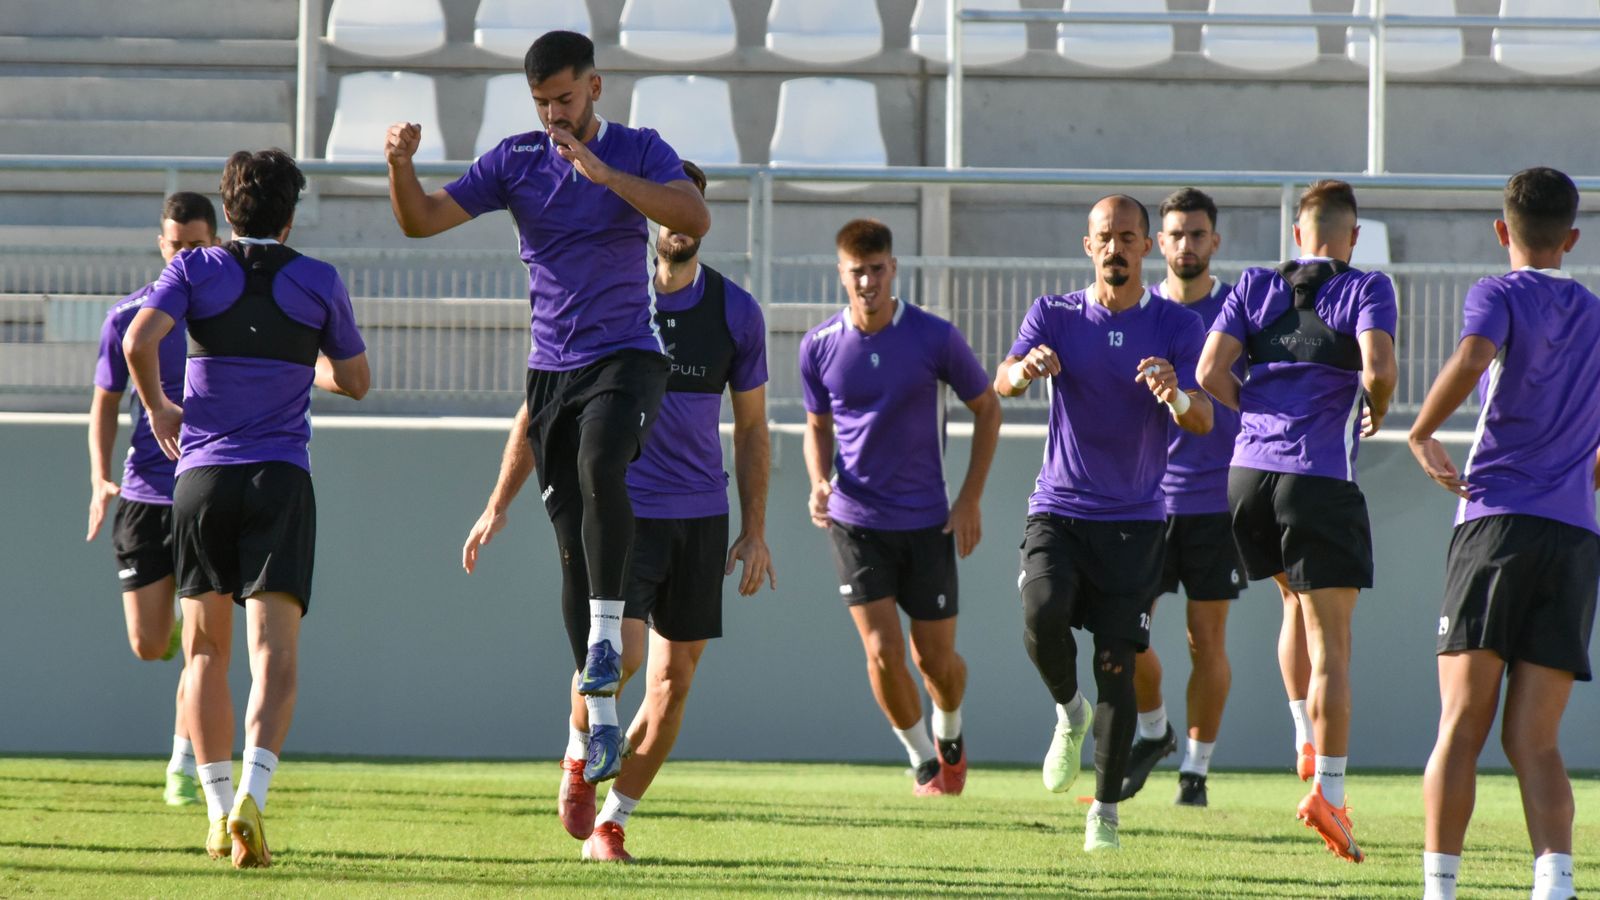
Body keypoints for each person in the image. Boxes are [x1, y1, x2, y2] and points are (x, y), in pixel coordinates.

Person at [387, 30, 709, 784]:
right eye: (540, 104)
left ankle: (605, 642)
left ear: (594, 87)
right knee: (570, 546)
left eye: (564, 99)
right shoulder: (516, 160)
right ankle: (598, 725)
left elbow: (693, 218)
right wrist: (400, 168)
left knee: (604, 462)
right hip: (550, 374)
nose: (553, 116)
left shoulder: (637, 147)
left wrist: (602, 172)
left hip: (625, 358)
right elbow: (421, 219)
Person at [462, 161, 774, 863]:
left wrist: (755, 530)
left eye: (685, 208)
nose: (674, 223)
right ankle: (577, 753)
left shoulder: (735, 312)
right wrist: (496, 503)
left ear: (699, 217)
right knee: (623, 654)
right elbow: (543, 410)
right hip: (623, 512)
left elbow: (754, 429)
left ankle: (612, 823)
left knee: (674, 680)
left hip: (700, 517)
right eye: (660, 210)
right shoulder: (613, 305)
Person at [123, 149, 370, 868]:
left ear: (227, 211)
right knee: (276, 658)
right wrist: (305, 364)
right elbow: (356, 381)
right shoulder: (318, 279)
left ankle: (214, 806)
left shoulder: (196, 268)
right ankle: (252, 800)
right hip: (279, 479)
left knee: (203, 651)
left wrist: (161, 408)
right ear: (290, 216)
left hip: (200, 480)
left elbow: (140, 340)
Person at [996, 194, 1213, 852]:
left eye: (1127, 236)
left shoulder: (1175, 325)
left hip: (1136, 523)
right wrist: (1024, 370)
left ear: (1146, 247)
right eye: (1104, 236)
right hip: (1059, 509)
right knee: (1041, 612)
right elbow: (1001, 381)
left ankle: (1106, 816)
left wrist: (1174, 393)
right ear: (1087, 247)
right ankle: (1068, 713)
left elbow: (1203, 418)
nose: (1115, 246)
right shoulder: (1054, 315)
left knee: (1118, 663)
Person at [1408, 167, 1598, 900]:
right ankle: (1555, 886)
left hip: (1495, 525)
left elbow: (1473, 357)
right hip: (1575, 536)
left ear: (1501, 230)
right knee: (1536, 740)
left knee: (1461, 723)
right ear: (1572, 238)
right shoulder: (1596, 314)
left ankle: (1441, 889)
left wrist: (1423, 430)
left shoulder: (1497, 293)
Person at [1197, 179, 1397, 863]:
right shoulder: (1365, 287)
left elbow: (1208, 370)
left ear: (1297, 234)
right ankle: (1331, 795)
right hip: (1318, 478)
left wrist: (1251, 411)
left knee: (1291, 601)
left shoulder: (1254, 283)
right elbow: (1378, 364)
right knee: (1333, 642)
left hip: (1246, 478)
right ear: (1353, 236)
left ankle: (1302, 738)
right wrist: (1380, 404)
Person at [799, 219, 1000, 797]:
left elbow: (988, 408)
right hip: (855, 521)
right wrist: (817, 481)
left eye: (877, 269)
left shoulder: (933, 337)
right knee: (884, 653)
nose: (867, 281)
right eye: (856, 271)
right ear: (841, 273)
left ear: (894, 269)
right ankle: (923, 763)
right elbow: (817, 425)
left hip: (927, 522)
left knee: (936, 662)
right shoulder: (819, 346)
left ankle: (950, 731)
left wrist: (969, 500)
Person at [86, 191, 218, 808]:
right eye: (177, 244)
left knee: (202, 646)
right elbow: (105, 404)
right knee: (149, 644)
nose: (187, 254)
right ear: (160, 244)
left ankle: (183, 765)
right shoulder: (130, 317)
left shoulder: (226, 314)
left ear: (215, 243)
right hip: (143, 494)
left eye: (198, 243)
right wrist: (99, 477)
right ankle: (161, 631)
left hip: (207, 491)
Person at [1119, 188, 1245, 808]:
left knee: (1206, 639)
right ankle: (1154, 729)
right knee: (1126, 633)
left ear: (1214, 241)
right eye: (1175, 234)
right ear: (1156, 243)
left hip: (1218, 501)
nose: (1186, 245)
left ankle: (1194, 772)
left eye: (1198, 234)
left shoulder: (1238, 313)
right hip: (1142, 500)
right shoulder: (1139, 312)